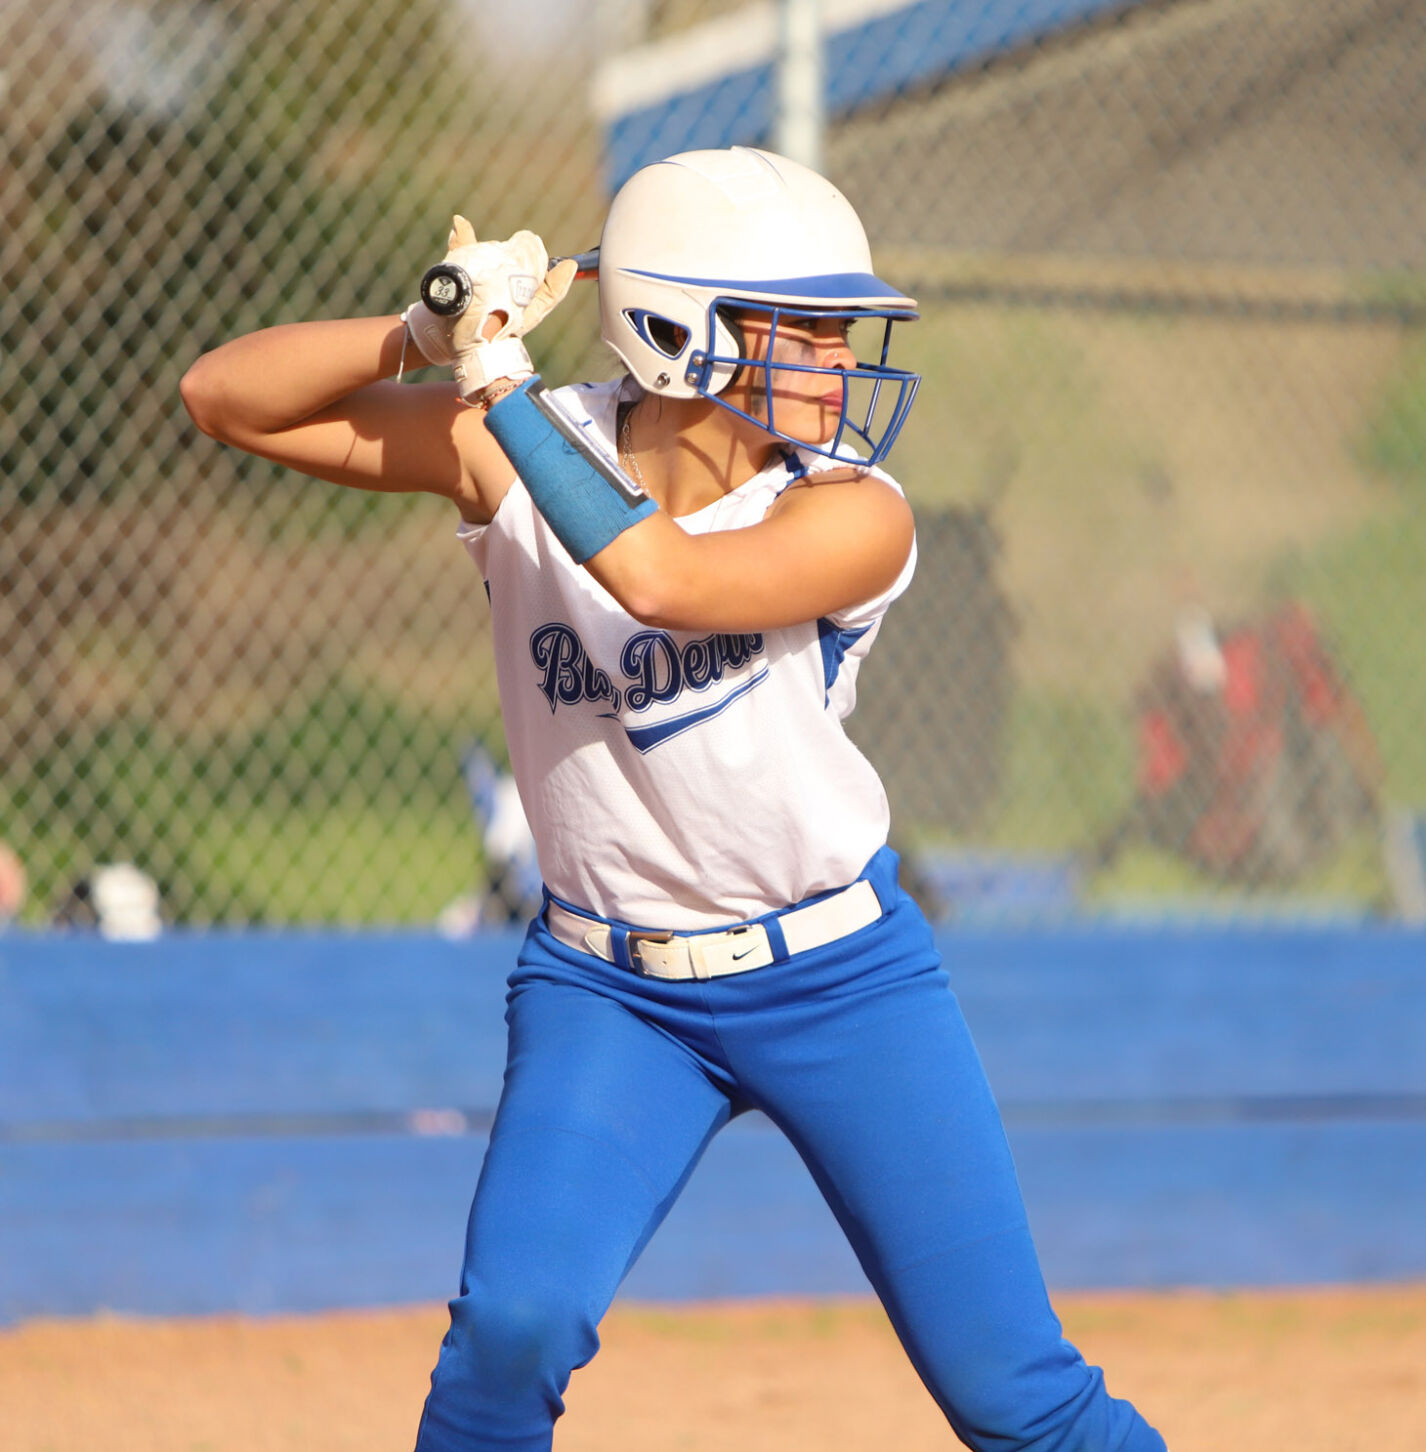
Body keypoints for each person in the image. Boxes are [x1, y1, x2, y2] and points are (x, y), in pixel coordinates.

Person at [181, 147, 1165, 1452]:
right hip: (610, 991)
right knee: (507, 1338)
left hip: (839, 979)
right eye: (805, 329)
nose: (837, 357)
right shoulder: (513, 446)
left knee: (1012, 1396)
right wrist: (419, 330)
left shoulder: (854, 511)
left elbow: (662, 582)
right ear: (677, 331)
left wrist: (498, 385)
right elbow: (223, 399)